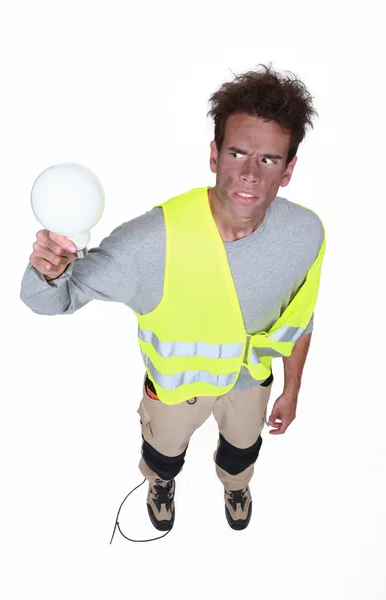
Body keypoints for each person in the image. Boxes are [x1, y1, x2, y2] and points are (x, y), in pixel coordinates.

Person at [20, 64, 326, 534]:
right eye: (237, 152)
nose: (248, 173)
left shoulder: (306, 233)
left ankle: (235, 484)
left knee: (242, 448)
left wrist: (292, 389)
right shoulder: (151, 244)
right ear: (214, 154)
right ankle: (160, 483)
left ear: (288, 170)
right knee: (163, 455)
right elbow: (52, 301)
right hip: (175, 395)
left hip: (249, 385)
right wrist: (48, 271)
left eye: (267, 159)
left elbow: (299, 320)